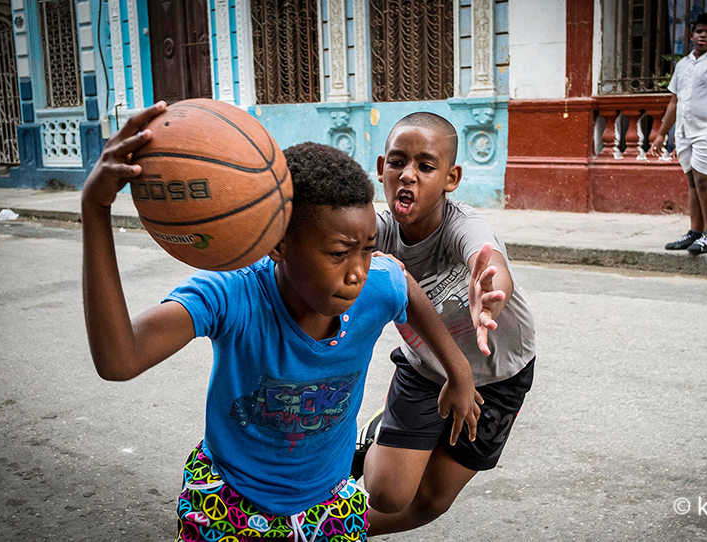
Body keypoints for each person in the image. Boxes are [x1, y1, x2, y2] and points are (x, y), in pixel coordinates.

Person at [81, 102, 481, 542]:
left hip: (328, 500)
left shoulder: (376, 284)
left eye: (366, 248)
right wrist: (95, 208)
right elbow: (119, 360)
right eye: (338, 253)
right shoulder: (233, 295)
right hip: (229, 499)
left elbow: (403, 285)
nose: (357, 272)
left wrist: (458, 371)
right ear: (278, 245)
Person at [358, 112, 536, 536]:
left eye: (425, 165)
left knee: (432, 501)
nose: (408, 175)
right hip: (427, 370)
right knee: (386, 494)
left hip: (500, 375)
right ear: (381, 168)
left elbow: (486, 260)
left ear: (451, 177)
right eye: (398, 162)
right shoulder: (374, 233)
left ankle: (326, 530)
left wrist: (489, 293)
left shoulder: (464, 225)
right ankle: (367, 448)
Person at [650, 12, 707, 255]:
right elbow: (674, 101)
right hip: (685, 131)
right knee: (693, 181)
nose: (703, 35)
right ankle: (695, 231)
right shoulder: (683, 65)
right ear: (691, 35)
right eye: (699, 31)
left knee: (706, 180)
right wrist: (661, 135)